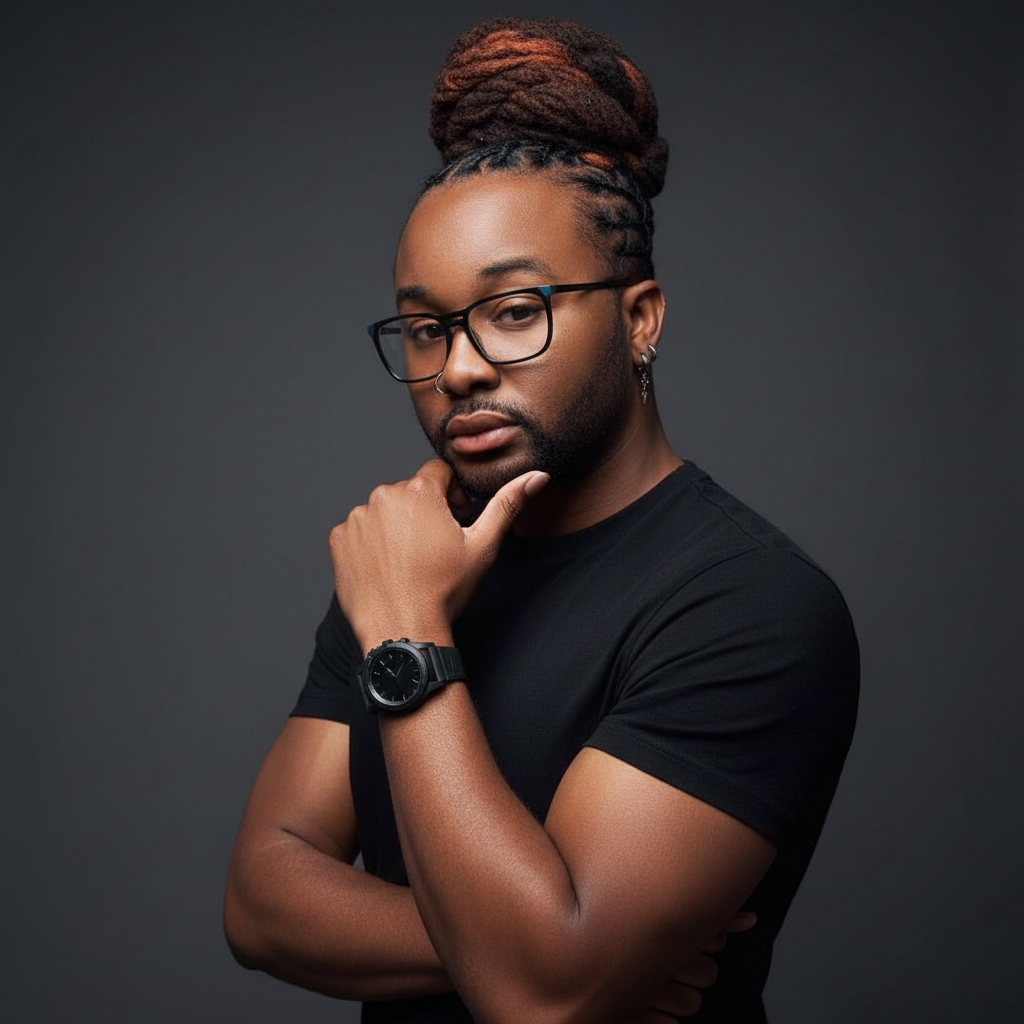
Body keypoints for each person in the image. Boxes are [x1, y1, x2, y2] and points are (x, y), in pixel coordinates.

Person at [224, 17, 859, 1024]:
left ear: (640, 317)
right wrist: (531, 945)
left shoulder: (749, 601)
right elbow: (260, 902)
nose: (461, 365)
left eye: (515, 310)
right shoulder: (412, 554)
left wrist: (404, 631)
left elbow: (536, 996)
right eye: (426, 327)